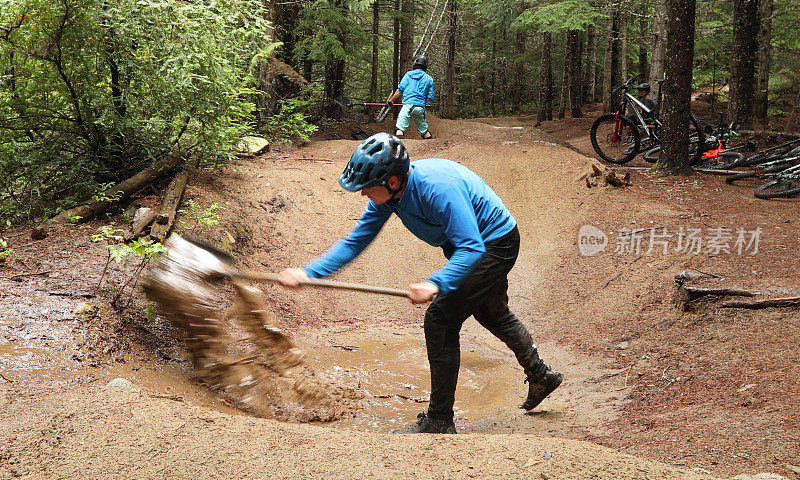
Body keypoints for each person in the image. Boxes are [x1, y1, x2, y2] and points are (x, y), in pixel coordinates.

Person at [279, 133, 562, 434]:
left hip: (493, 244)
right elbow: (355, 242)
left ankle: (439, 420)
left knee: (440, 318)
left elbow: (472, 248)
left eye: (366, 187)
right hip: (465, 246)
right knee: (491, 312)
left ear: (392, 181)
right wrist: (310, 273)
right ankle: (541, 374)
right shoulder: (388, 198)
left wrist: (435, 282)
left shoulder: (438, 188)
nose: (362, 193)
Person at [387, 55, 435, 140]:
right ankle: (433, 150)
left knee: (399, 129)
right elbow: (430, 97)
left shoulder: (408, 75)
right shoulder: (429, 79)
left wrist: (390, 101)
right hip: (420, 108)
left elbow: (399, 90)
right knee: (424, 132)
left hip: (407, 107)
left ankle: (400, 150)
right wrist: (421, 101)